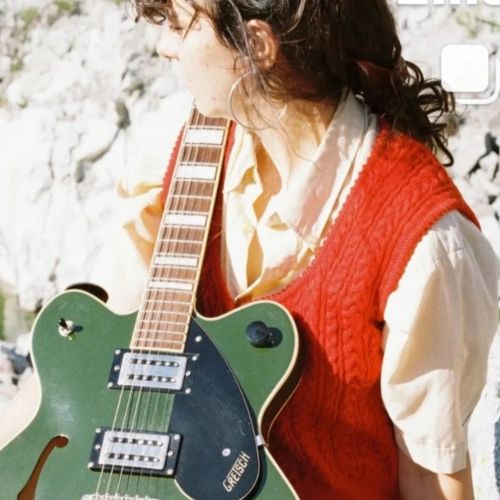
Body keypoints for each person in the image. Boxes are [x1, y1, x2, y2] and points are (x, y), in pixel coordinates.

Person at [0, 0, 497, 499]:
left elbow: (430, 478)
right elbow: (71, 368)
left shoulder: (424, 245)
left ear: (257, 45)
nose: (163, 47)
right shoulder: (177, 150)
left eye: (178, 24)